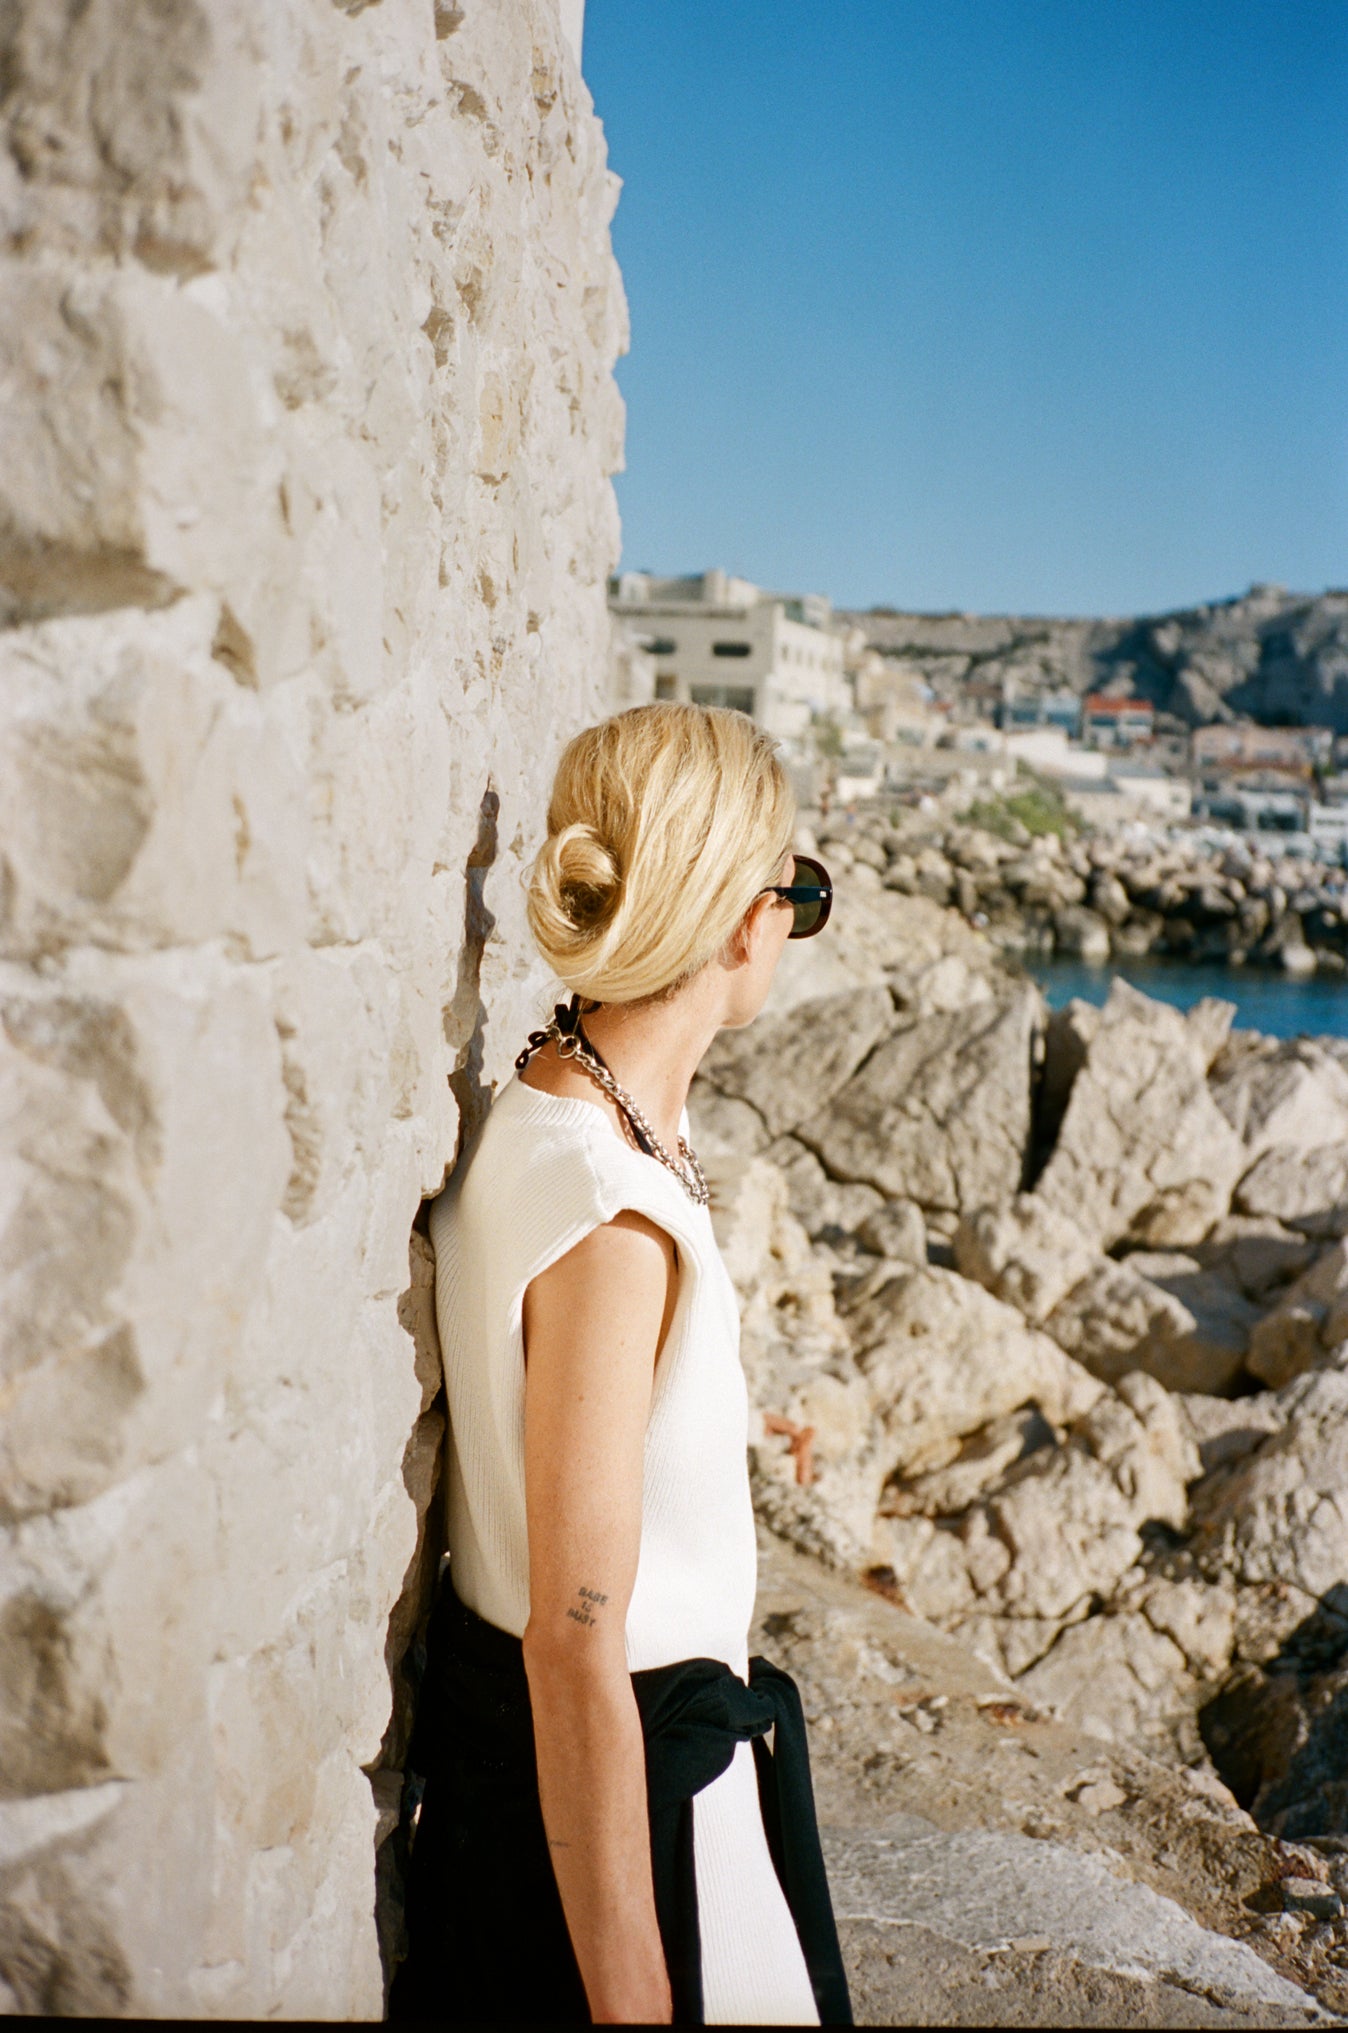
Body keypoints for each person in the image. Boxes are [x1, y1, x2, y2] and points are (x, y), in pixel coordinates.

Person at [390, 703, 851, 2026]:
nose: (791, 921)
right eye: (794, 889)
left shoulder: (550, 1098)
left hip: (534, 1798)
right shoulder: (616, 1219)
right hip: (617, 1819)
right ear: (733, 921)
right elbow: (576, 1649)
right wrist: (637, 1999)